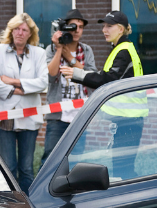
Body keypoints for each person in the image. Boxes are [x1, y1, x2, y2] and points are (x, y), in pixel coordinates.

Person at [60, 11, 145, 181]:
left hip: (128, 120)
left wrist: (78, 74)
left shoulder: (123, 51)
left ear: (120, 29)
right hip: (127, 119)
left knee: (123, 171)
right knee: (123, 168)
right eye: (103, 26)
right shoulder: (121, 48)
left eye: (109, 26)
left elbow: (107, 79)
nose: (104, 29)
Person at [0, 13, 48, 193]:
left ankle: (28, 207)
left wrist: (13, 82)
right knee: (8, 167)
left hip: (29, 117)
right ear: (11, 31)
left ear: (30, 34)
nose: (20, 33)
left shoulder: (39, 53)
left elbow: (43, 82)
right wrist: (14, 91)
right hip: (5, 116)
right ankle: (9, 204)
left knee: (26, 169)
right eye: (17, 29)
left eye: (25, 30)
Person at [40, 9, 96, 167]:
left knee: (77, 160)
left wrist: (70, 58)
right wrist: (59, 49)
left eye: (81, 27)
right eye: (73, 26)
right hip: (58, 115)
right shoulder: (51, 49)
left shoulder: (86, 50)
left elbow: (91, 76)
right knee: (50, 158)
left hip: (81, 114)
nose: (77, 30)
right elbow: (51, 76)